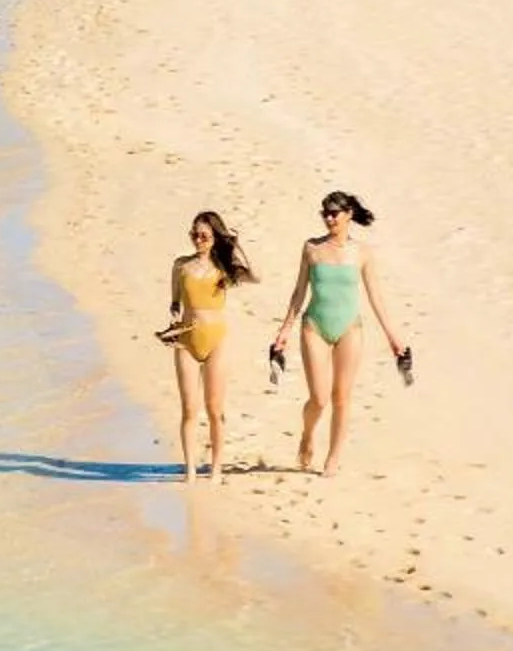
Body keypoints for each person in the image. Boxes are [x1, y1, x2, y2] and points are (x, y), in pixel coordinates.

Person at [271, 190, 412, 476]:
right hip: (315, 326)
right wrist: (284, 330)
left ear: (349, 215)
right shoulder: (311, 248)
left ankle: (333, 458)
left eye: (334, 212)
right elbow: (299, 292)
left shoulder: (362, 253)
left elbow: (376, 298)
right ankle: (307, 435)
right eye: (325, 212)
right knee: (319, 398)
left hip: (350, 328)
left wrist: (393, 337)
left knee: (342, 397)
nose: (329, 217)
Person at [157, 209, 256, 479]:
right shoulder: (181, 265)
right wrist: (172, 325)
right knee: (189, 409)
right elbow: (175, 303)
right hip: (187, 341)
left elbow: (253, 275)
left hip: (216, 341)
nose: (198, 240)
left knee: (214, 408)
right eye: (194, 234)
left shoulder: (223, 267)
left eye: (204, 235)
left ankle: (215, 469)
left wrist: (236, 246)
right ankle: (189, 470)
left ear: (214, 237)